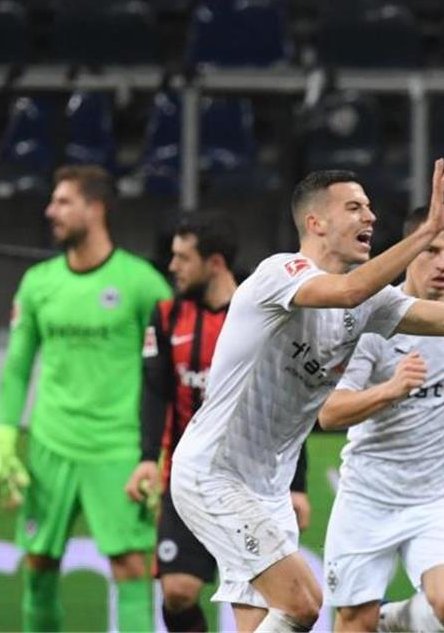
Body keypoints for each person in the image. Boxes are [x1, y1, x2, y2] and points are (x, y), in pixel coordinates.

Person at [169, 160, 444, 633]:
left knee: (264, 621)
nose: (370, 218)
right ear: (316, 222)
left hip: (269, 489)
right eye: (355, 208)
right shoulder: (280, 274)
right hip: (214, 472)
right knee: (303, 603)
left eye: (370, 208)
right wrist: (424, 235)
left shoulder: (371, 304)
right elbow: (348, 290)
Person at [0, 165, 173, 631]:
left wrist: (162, 450)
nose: (50, 211)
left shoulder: (142, 284)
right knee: (37, 566)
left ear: (96, 209)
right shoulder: (37, 283)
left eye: (63, 202)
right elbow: (16, 369)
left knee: (132, 567)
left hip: (118, 448)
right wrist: (5, 440)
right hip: (51, 444)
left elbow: (165, 376)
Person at [122, 211, 312, 632]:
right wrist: (147, 457)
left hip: (252, 483)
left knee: (266, 608)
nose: (172, 267)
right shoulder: (168, 316)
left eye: (183, 258)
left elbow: (289, 405)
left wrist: (297, 483)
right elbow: (155, 393)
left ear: (215, 263)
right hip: (189, 477)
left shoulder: (263, 312)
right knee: (177, 592)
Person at [318, 208, 444, 632]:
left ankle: (391, 621)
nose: (442, 263)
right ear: (409, 250)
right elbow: (329, 412)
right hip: (369, 495)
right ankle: (372, 621)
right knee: (352, 623)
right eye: (431, 250)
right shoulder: (375, 320)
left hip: (437, 497)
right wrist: (390, 390)